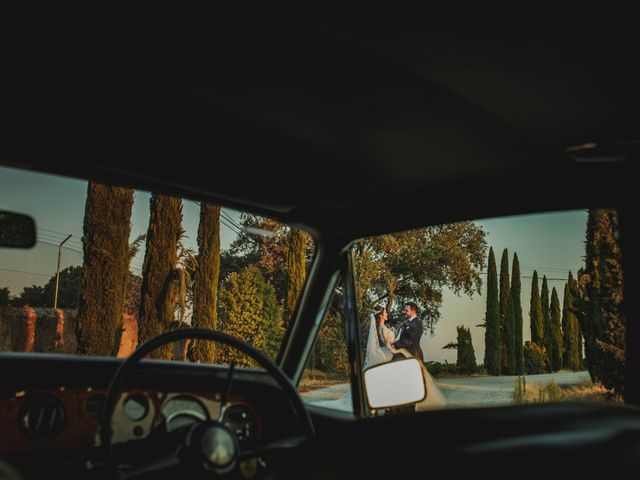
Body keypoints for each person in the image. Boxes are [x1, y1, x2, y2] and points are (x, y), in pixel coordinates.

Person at [364, 303, 446, 410]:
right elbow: (399, 338)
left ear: (413, 311)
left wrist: (395, 345)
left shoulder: (416, 324)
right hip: (402, 352)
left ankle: (409, 404)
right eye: (404, 310)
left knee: (414, 381)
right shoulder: (407, 323)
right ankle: (398, 404)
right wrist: (394, 346)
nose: (404, 312)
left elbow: (409, 341)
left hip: (412, 353)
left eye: (406, 310)